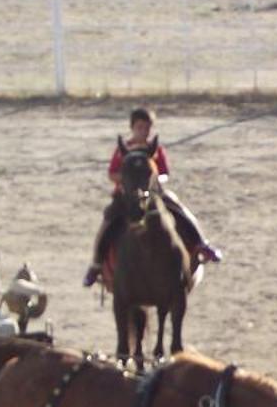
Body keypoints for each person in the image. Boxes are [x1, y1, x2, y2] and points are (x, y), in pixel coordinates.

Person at [83, 107, 223, 289]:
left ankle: (200, 243)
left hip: (154, 193)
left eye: (147, 128)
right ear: (132, 127)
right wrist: (127, 179)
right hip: (126, 196)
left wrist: (155, 179)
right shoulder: (123, 149)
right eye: (140, 127)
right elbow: (112, 174)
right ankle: (96, 264)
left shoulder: (155, 149)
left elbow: (164, 173)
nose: (143, 131)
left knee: (179, 208)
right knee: (108, 222)